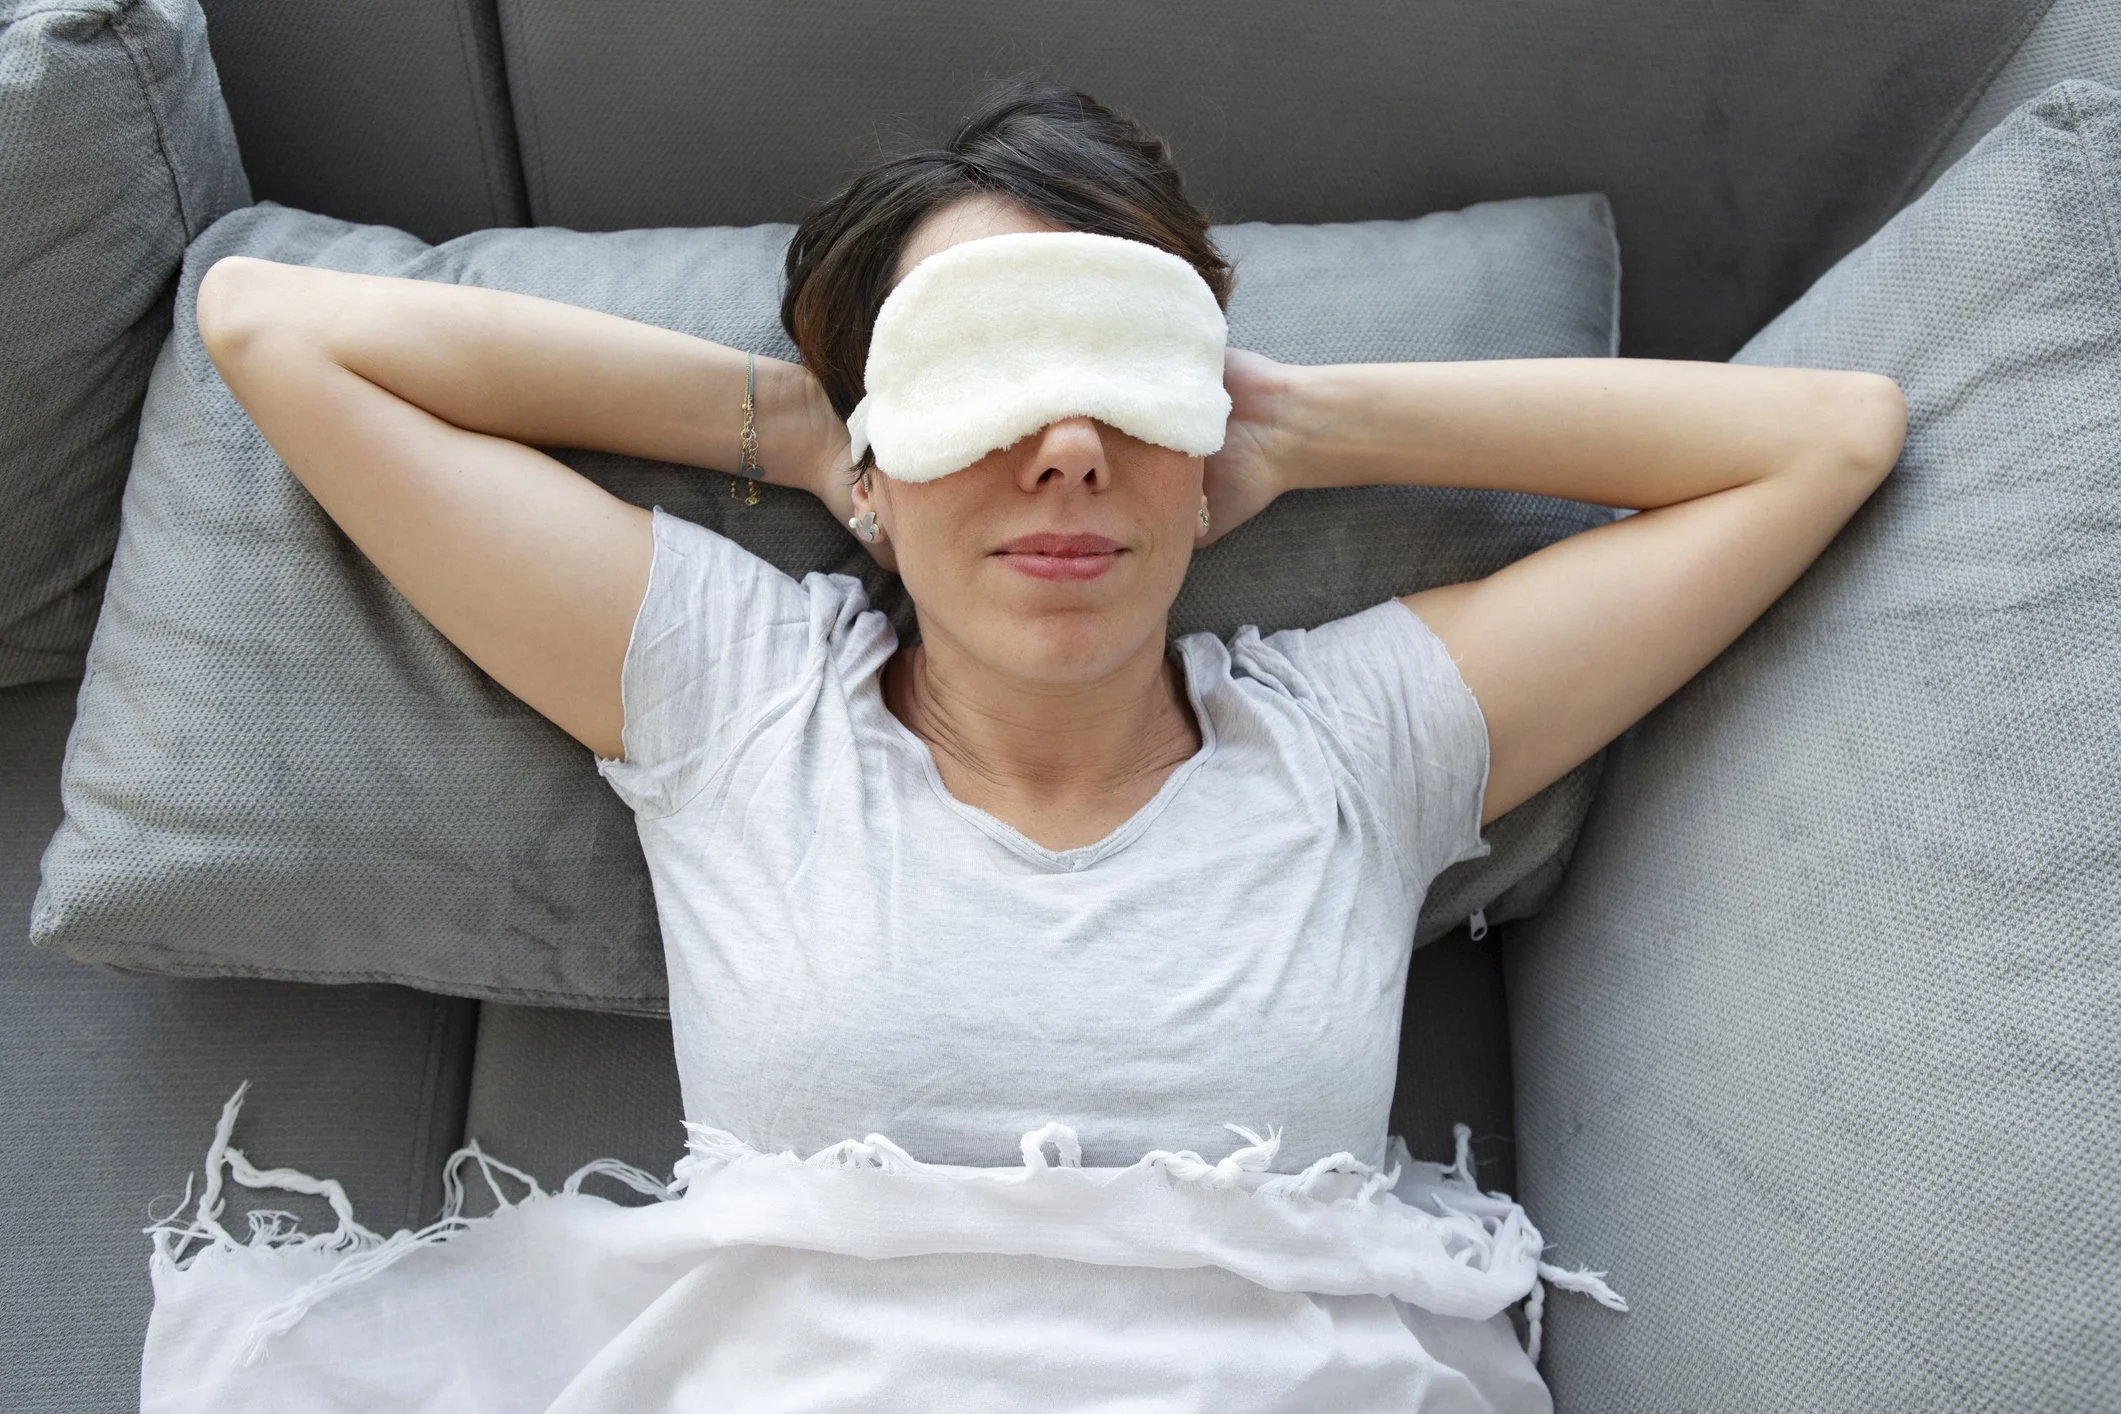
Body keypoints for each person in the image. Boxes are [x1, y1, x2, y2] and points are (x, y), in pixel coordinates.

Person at [187, 79, 1904, 1408]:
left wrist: (1306, 425)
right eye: (989, 382)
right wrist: (815, 432)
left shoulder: (1353, 743)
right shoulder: (737, 693)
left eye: (1121, 375)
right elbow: (277, 327)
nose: (1065, 443)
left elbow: (1827, 438)